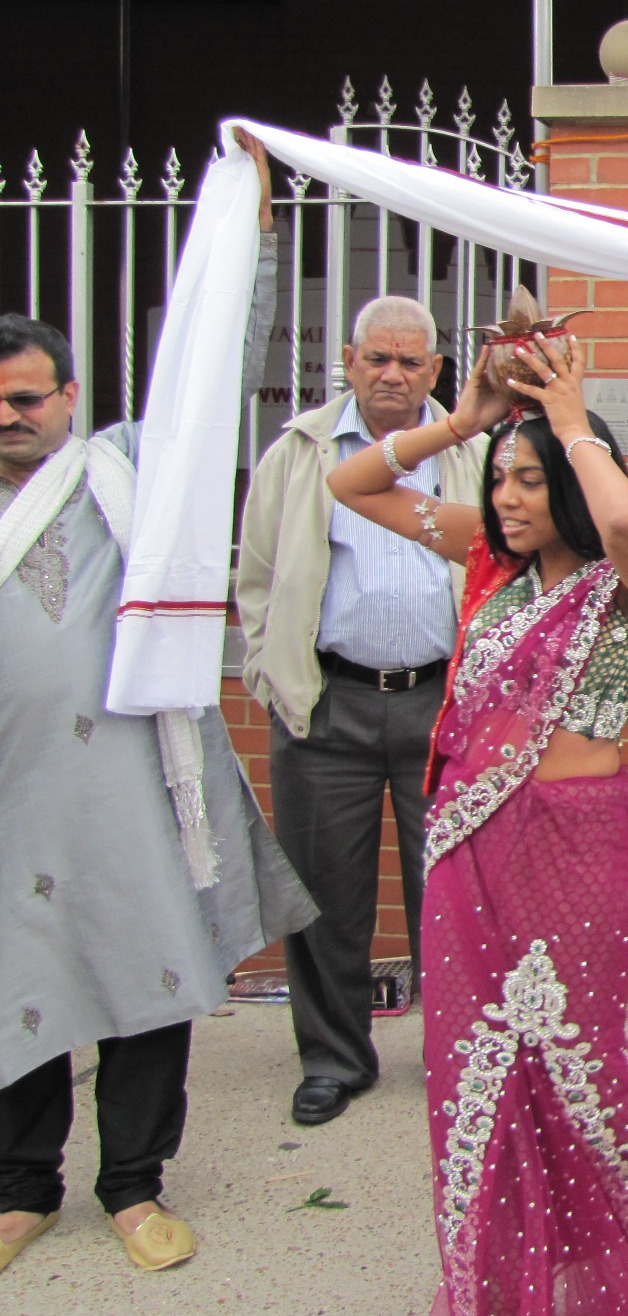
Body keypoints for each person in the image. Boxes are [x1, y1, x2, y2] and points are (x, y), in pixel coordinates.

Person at [328, 332, 628, 1312]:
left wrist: (572, 422)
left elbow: (627, 529)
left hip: (576, 837)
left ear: (574, 485)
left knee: (577, 1051)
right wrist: (461, 423)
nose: (507, 498)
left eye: (529, 482)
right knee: (473, 1062)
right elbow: (353, 486)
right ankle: (502, 1266)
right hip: (467, 841)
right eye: (500, 480)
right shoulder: (488, 565)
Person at [0, 312, 316, 1275]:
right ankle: (22, 1190)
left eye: (24, 398)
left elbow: (214, 371)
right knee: (16, 980)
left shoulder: (126, 470)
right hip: (13, 794)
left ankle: (133, 1184)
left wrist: (251, 229)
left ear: (67, 398)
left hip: (132, 785)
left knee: (150, 970)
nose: (8, 417)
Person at [238, 284, 488, 1127]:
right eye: (374, 357)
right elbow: (259, 579)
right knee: (325, 898)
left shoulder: (474, 453)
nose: (390, 373)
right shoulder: (301, 453)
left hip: (441, 706)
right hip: (328, 707)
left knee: (451, 896)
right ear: (346, 363)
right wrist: (272, 673)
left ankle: (455, 1059)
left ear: (436, 370)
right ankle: (335, 1060)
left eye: (408, 360)